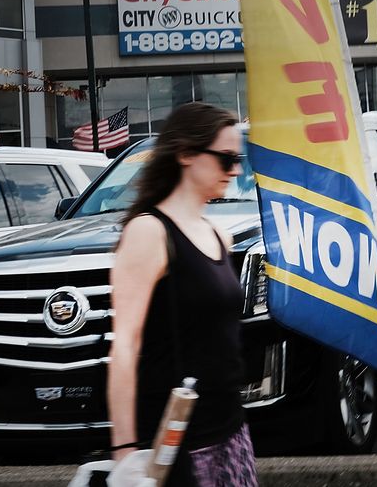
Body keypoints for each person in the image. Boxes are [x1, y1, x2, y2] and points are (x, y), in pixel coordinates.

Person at [108, 102, 257, 487]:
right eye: (226, 159)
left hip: (230, 432)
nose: (236, 169)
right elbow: (124, 347)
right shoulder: (149, 232)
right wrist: (125, 452)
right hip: (178, 445)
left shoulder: (217, 234)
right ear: (187, 153)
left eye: (237, 158)